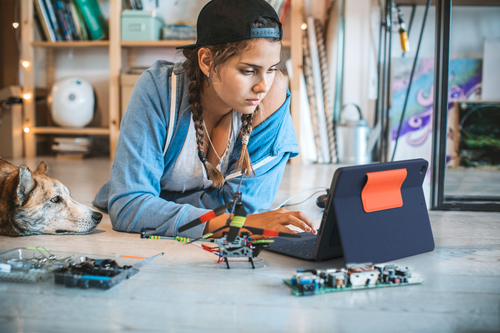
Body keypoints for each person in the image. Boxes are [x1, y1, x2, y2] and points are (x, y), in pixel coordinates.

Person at [93, 0, 316, 239]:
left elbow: (245, 207)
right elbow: (129, 208)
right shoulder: (159, 90)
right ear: (207, 61)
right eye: (248, 71)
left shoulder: (271, 96)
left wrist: (158, 202)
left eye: (271, 69)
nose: (263, 86)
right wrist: (238, 224)